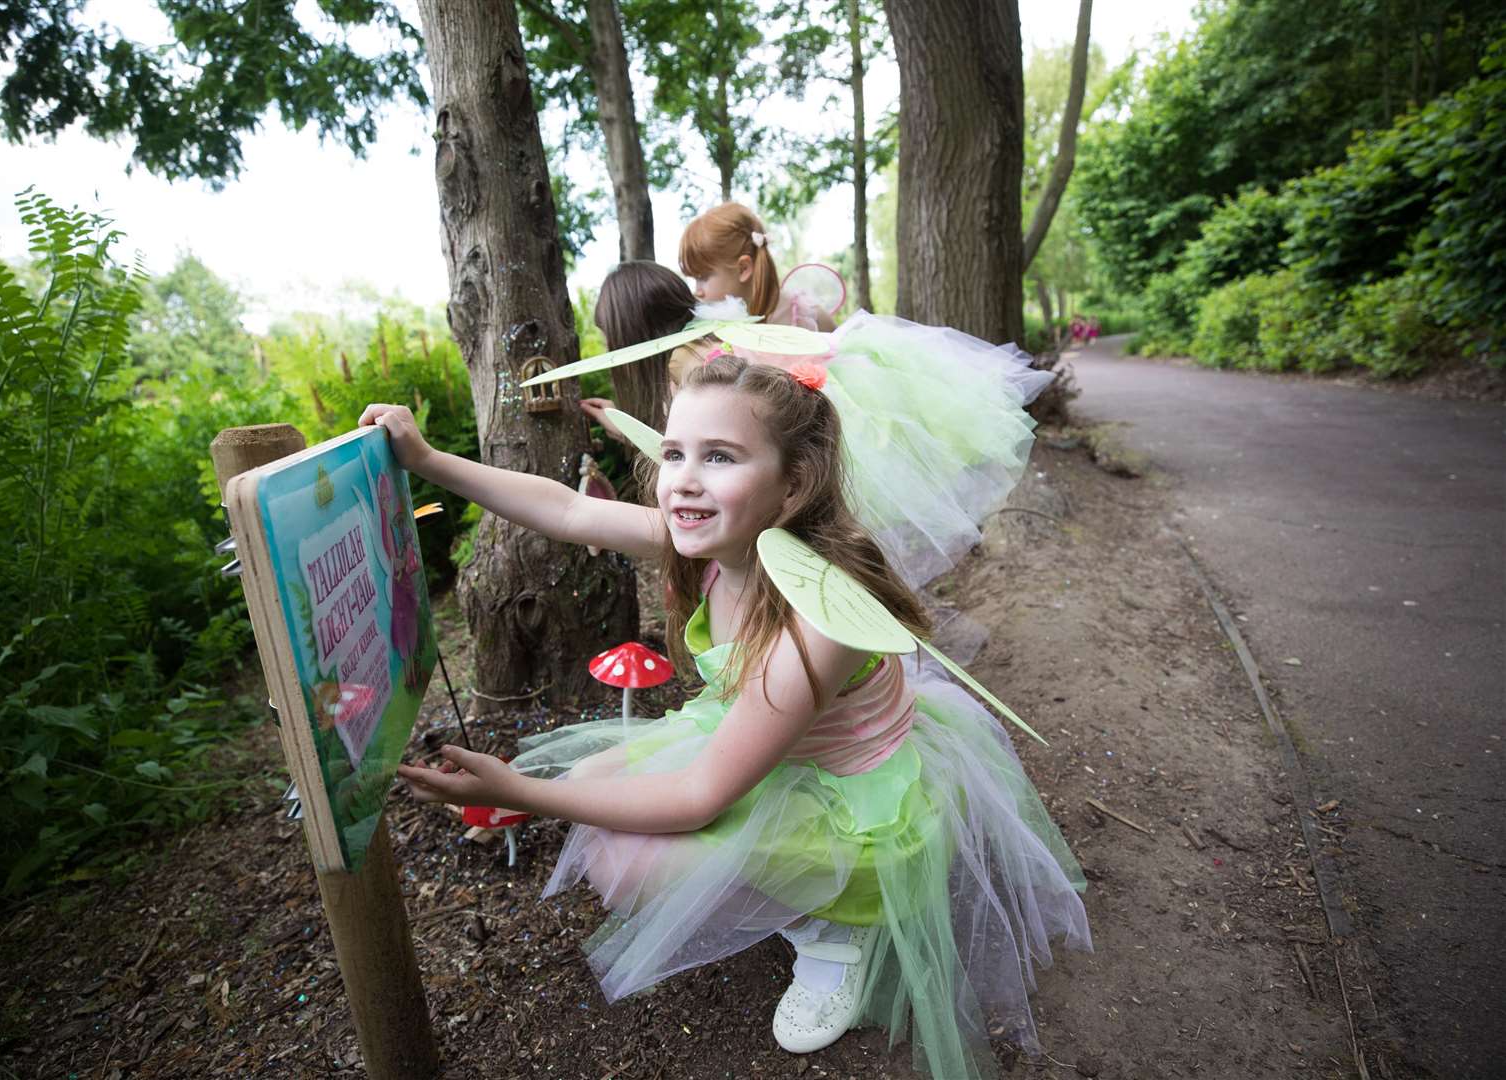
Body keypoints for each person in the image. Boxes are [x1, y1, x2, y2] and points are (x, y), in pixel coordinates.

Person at [364, 356, 1089, 1079]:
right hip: (762, 733)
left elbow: (698, 796)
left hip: (848, 795)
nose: (682, 477)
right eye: (674, 452)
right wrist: (428, 460)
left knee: (629, 855)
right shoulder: (721, 543)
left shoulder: (817, 614)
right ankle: (797, 895)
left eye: (720, 457)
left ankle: (837, 931)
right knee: (594, 788)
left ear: (794, 483)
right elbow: (569, 510)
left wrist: (517, 793)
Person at [582, 258, 1054, 594]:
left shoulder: (686, 363)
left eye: (611, 336)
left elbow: (699, 443)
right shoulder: (716, 339)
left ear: (633, 331)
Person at [679, 201, 838, 331]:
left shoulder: (807, 318)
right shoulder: (710, 328)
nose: (697, 291)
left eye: (703, 277)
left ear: (744, 268)